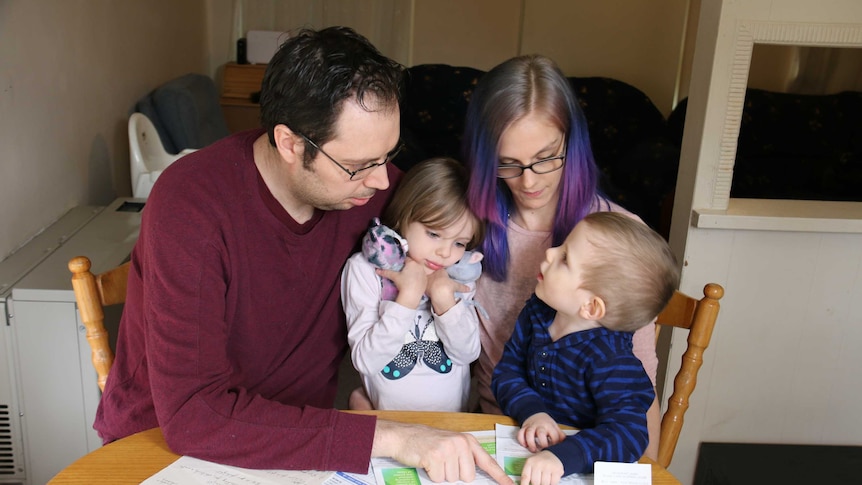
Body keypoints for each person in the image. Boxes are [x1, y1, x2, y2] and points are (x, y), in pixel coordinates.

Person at [94, 26, 510, 484]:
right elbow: (195, 414)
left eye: (388, 155)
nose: (382, 182)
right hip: (166, 446)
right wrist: (385, 434)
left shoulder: (367, 191)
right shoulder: (190, 205)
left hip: (296, 442)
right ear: (291, 144)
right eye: (359, 166)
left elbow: (455, 222)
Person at [463, 54, 663, 459]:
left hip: (589, 447)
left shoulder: (620, 237)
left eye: (546, 157)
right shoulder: (464, 227)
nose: (529, 181)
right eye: (508, 164)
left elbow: (636, 402)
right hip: (495, 431)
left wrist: (643, 470)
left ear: (573, 141)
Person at [492, 211, 679, 483]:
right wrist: (533, 412)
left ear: (591, 307)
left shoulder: (612, 360)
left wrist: (564, 456)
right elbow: (507, 372)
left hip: (582, 466)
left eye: (565, 258)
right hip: (530, 447)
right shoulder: (538, 312)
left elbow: (628, 435)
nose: (549, 253)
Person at [342, 157, 485, 412]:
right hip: (391, 426)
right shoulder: (366, 269)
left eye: (459, 243)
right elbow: (366, 361)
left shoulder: (457, 276)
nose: (444, 252)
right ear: (403, 217)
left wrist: (444, 300)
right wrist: (407, 298)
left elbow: (467, 354)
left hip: (451, 424)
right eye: (433, 234)